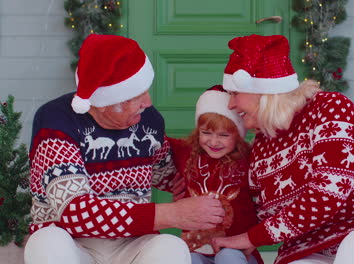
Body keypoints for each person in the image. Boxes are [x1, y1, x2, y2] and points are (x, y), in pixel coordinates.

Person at [211, 34, 354, 264]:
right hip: (308, 247)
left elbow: (327, 194)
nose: (230, 105)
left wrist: (249, 238)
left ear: (263, 90)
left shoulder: (331, 109)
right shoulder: (261, 148)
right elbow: (257, 214)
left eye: (234, 93)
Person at [24, 34, 224, 264]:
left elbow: (170, 173)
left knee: (171, 247)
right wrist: (174, 214)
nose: (148, 102)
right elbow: (74, 213)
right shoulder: (56, 121)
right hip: (74, 242)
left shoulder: (147, 120)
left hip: (131, 243)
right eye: (136, 96)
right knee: (46, 242)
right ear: (105, 102)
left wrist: (212, 162)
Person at [168, 85, 264, 264]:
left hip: (237, 250)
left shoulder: (249, 159)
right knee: (188, 259)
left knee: (227, 256)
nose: (213, 141)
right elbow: (156, 143)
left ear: (239, 135)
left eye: (223, 135)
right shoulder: (186, 152)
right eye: (206, 132)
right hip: (197, 245)